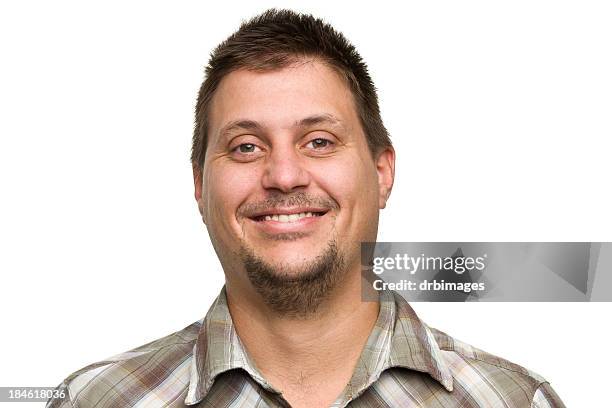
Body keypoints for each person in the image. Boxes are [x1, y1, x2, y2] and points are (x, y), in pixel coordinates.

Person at [47, 9, 565, 408]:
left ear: (382, 172)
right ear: (201, 186)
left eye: (318, 141)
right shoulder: (96, 400)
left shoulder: (512, 399)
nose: (285, 176)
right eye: (247, 146)